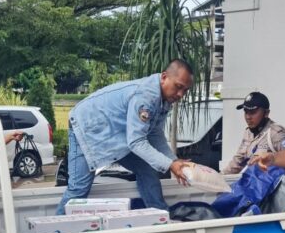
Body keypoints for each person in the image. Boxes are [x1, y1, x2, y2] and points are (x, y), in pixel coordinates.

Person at [56, 60, 194, 213]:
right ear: (164, 77)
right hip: (86, 127)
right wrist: (170, 165)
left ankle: (160, 217)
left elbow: (154, 133)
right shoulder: (146, 97)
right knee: (79, 189)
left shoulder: (164, 99)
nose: (181, 94)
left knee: (147, 170)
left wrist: (173, 160)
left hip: (118, 135)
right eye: (178, 86)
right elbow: (136, 142)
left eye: (185, 90)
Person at [222, 92, 285, 174]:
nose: (248, 117)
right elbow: (238, 162)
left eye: (253, 112)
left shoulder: (277, 134)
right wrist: (219, 177)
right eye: (246, 112)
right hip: (252, 184)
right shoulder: (248, 133)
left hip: (272, 185)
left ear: (266, 113)